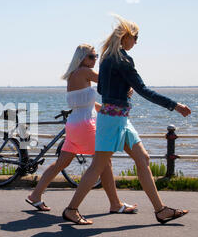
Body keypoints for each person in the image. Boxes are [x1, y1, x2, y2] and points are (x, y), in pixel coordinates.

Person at [62, 14, 191, 225]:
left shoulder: (106, 58)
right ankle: (71, 209)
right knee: (97, 166)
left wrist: (122, 88)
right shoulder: (122, 59)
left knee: (143, 159)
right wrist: (174, 105)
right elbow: (144, 90)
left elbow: (103, 89)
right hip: (112, 120)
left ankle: (161, 210)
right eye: (136, 37)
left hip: (119, 118)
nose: (137, 42)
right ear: (126, 36)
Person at [26, 44, 137, 215]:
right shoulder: (84, 72)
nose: (95, 59)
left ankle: (35, 195)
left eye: (96, 56)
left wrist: (107, 109)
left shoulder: (74, 75)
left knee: (62, 162)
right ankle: (115, 204)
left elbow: (90, 105)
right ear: (82, 58)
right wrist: (127, 87)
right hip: (85, 125)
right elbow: (109, 82)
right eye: (91, 56)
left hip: (74, 124)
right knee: (104, 162)